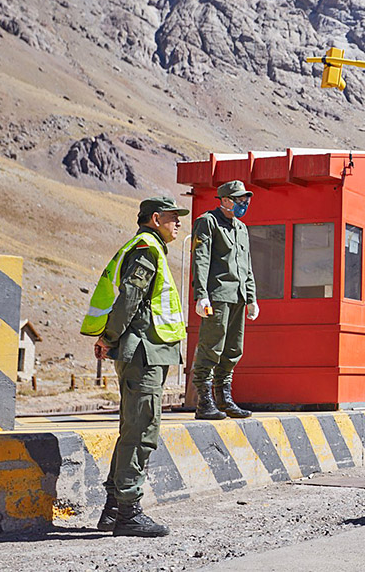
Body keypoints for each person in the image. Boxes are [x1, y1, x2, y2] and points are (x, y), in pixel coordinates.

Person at [80, 196, 189, 537]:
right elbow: (129, 298)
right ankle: (128, 512)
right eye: (173, 218)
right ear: (155, 218)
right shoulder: (146, 249)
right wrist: (109, 338)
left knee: (133, 428)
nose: (178, 224)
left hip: (146, 351)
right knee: (142, 430)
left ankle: (114, 511)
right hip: (144, 352)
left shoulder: (147, 247)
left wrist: (109, 339)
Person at [190, 180, 259, 420]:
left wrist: (251, 297)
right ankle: (204, 401)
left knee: (233, 349)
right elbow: (201, 260)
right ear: (226, 200)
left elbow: (247, 266)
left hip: (238, 297)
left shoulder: (241, 228)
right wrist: (201, 295)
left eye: (246, 200)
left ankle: (224, 399)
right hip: (217, 296)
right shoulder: (208, 222)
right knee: (212, 347)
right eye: (240, 200)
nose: (244, 203)